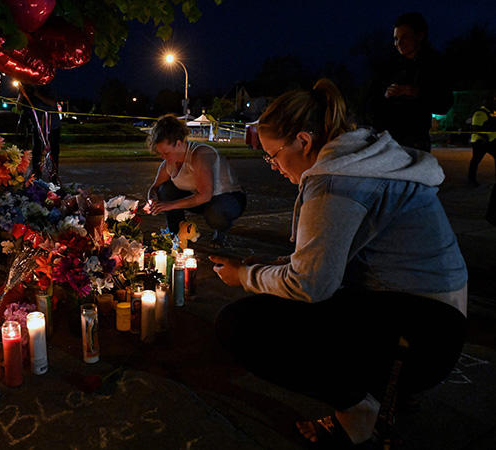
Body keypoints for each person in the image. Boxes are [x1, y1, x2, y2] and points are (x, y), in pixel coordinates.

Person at [210, 79, 467, 447]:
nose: (273, 166)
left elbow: (311, 284)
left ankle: (359, 408)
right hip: (436, 319)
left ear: (303, 141)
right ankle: (376, 392)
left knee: (241, 324)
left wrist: (246, 276)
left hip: (420, 338)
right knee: (281, 296)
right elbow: (330, 256)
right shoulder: (360, 159)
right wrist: (273, 264)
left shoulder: (335, 180)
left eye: (273, 155)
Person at [146, 115, 246, 247]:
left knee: (215, 213)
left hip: (229, 199)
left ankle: (221, 230)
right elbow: (155, 187)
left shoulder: (199, 155)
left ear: (179, 144)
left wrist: (169, 205)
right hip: (203, 200)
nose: (163, 157)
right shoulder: (167, 164)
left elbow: (205, 195)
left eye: (166, 153)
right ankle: (177, 232)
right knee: (165, 190)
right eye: (160, 153)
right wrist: (151, 200)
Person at [366, 12, 453, 152]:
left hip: (416, 144)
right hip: (386, 141)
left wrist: (416, 92)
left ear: (419, 36)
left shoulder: (434, 65)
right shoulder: (387, 67)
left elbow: (445, 103)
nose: (398, 43)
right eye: (395, 38)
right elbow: (370, 103)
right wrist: (385, 97)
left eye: (404, 37)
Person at [17, 83, 61, 181]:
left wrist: (37, 94)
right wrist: (21, 93)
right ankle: (36, 176)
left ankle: (54, 177)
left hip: (52, 126)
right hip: (37, 127)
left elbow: (52, 103)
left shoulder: (47, 88)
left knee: (53, 152)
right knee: (36, 152)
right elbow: (19, 107)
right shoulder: (27, 91)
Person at [468, 97, 496, 186]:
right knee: (475, 161)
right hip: (480, 141)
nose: (494, 104)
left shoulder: (492, 113)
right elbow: (476, 128)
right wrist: (486, 138)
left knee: (475, 161)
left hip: (491, 141)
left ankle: (471, 180)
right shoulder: (480, 113)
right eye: (492, 102)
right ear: (487, 103)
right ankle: (471, 180)